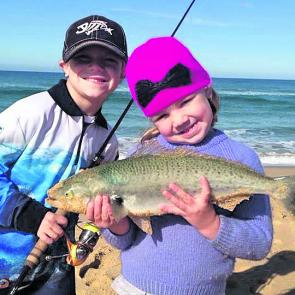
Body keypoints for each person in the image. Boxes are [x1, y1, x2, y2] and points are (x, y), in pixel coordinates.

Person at [86, 36, 273, 295]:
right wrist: (114, 224)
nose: (179, 120)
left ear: (207, 90)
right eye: (162, 115)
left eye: (185, 101)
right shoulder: (142, 156)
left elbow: (259, 243)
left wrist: (209, 222)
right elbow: (127, 241)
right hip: (133, 287)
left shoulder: (242, 158)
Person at [0, 15, 127, 294]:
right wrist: (31, 217)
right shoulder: (30, 114)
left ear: (123, 72)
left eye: (109, 60)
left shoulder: (108, 141)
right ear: (64, 67)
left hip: (58, 266)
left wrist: (90, 237)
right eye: (83, 58)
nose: (96, 67)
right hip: (5, 264)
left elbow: (100, 206)